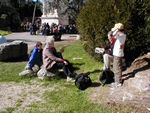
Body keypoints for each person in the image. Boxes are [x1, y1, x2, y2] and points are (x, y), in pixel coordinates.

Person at [111, 23, 126, 87]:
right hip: (117, 53)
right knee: (116, 67)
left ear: (119, 30)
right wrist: (117, 30)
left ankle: (118, 82)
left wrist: (116, 30)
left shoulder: (121, 35)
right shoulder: (121, 35)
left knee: (117, 68)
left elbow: (112, 34)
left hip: (118, 54)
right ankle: (117, 80)